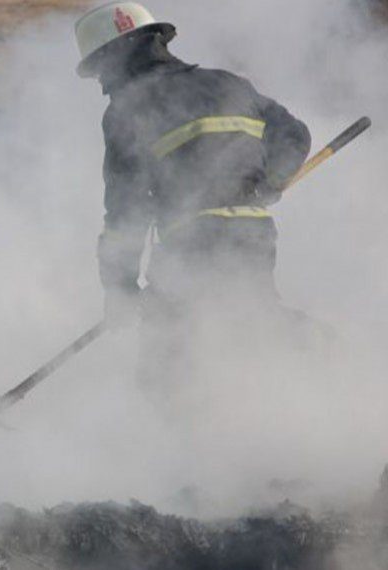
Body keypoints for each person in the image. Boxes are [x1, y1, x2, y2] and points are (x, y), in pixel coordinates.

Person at [74, 2, 313, 397]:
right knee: (253, 323)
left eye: (100, 69)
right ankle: (322, 360)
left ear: (116, 58)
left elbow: (125, 212)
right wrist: (271, 181)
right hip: (253, 233)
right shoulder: (229, 83)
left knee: (166, 367)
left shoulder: (126, 110)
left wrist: (120, 289)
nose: (102, 82)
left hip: (191, 242)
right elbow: (295, 134)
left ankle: (187, 446)